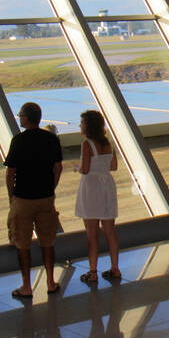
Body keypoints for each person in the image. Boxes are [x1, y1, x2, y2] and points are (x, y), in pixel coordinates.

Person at [5, 101, 63, 300]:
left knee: (23, 243)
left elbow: (10, 172)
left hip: (24, 198)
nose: (19, 117)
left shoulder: (18, 141)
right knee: (48, 241)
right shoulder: (51, 139)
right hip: (46, 198)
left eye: (20, 114)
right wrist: (51, 187)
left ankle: (27, 286)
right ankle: (50, 282)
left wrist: (11, 195)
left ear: (26, 118)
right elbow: (58, 168)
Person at [75, 109, 120, 284]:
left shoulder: (87, 144)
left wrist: (76, 167)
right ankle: (115, 268)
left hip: (92, 187)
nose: (80, 125)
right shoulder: (107, 143)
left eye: (82, 123)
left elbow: (85, 169)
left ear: (88, 126)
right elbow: (114, 166)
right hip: (107, 185)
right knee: (110, 231)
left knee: (92, 234)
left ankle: (93, 272)